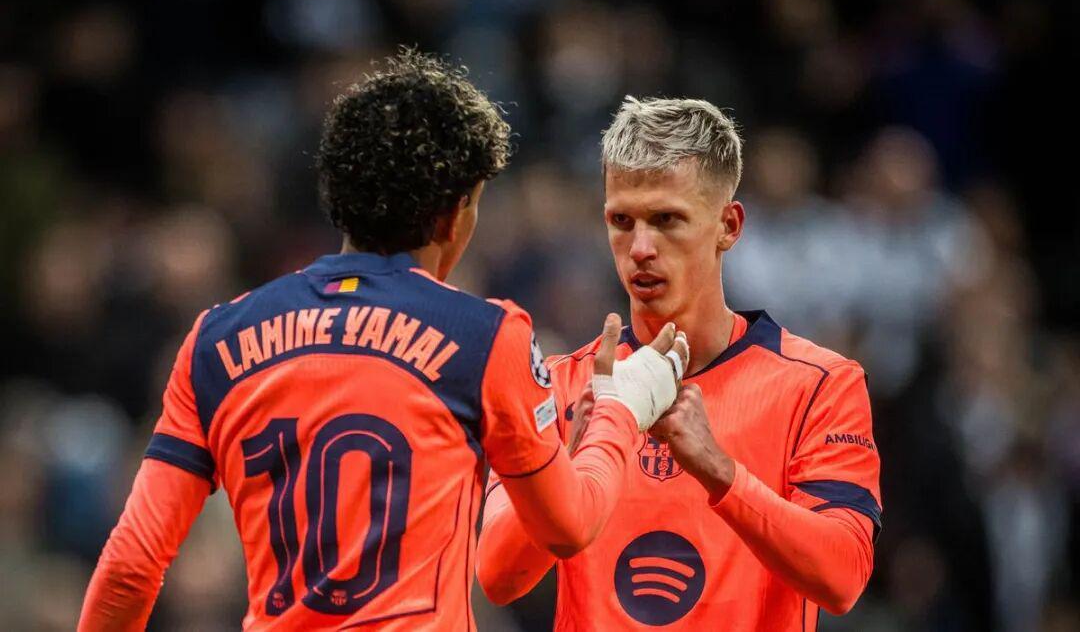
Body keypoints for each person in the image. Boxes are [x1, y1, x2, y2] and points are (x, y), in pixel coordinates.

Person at [77, 52, 688, 631]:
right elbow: (567, 526)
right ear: (455, 214)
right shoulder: (484, 335)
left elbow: (131, 566)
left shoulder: (216, 339)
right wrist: (622, 409)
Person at [476, 97, 882, 630]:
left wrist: (718, 470)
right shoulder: (557, 385)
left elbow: (843, 577)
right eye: (622, 221)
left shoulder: (819, 385)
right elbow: (497, 577)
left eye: (667, 219)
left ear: (728, 225)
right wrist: (568, 463)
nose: (641, 247)